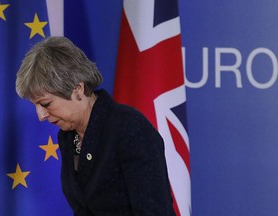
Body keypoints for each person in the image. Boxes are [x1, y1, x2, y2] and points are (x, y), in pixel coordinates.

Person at [16, 36, 176, 216]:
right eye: (35, 106)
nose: (41, 115)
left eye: (45, 104)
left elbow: (153, 211)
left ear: (77, 89)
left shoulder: (129, 128)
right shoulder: (69, 136)